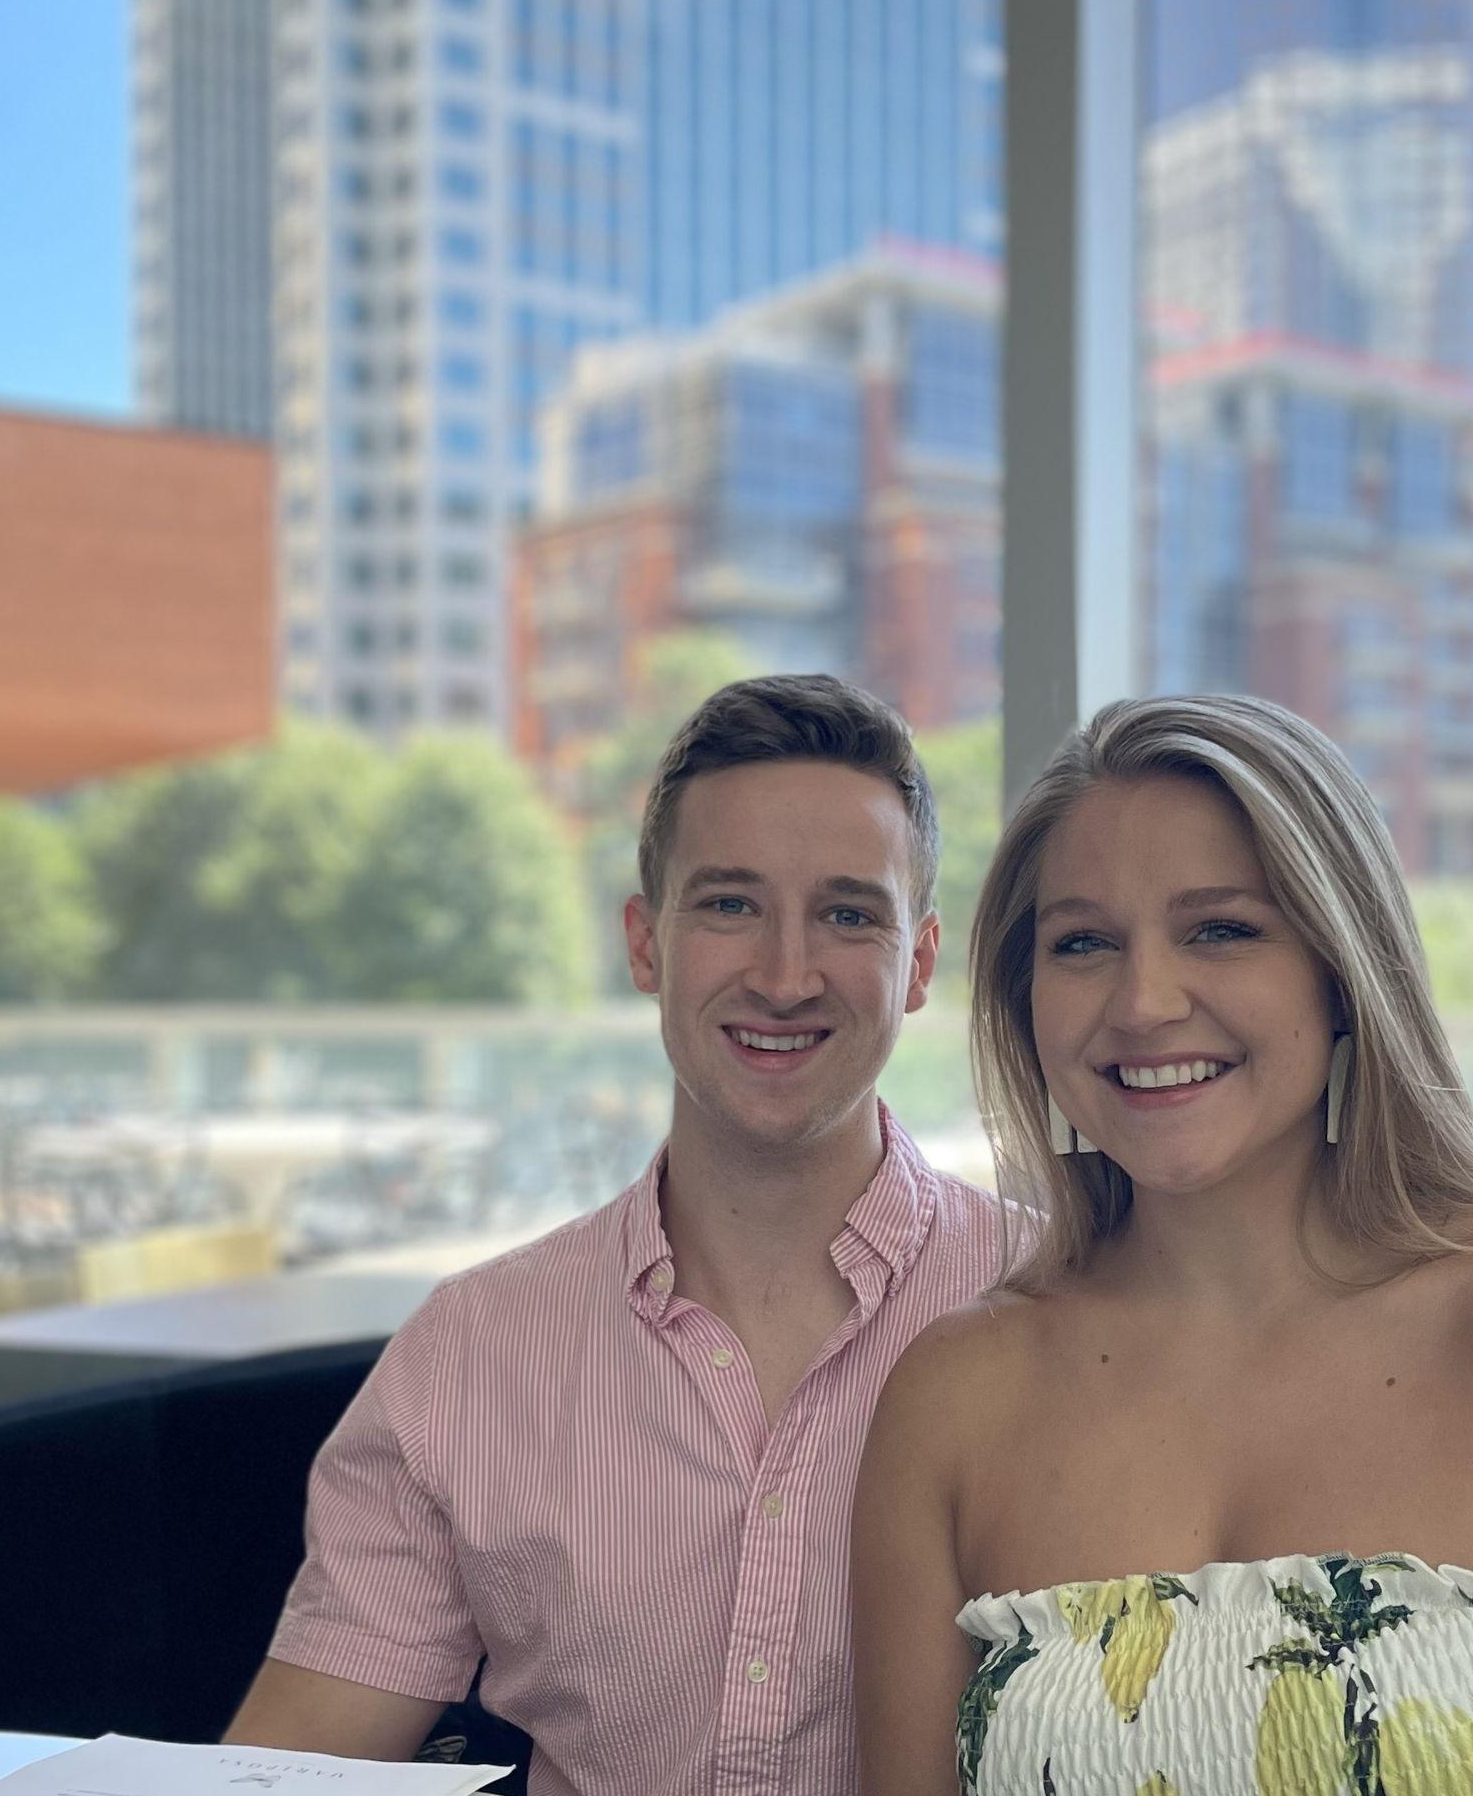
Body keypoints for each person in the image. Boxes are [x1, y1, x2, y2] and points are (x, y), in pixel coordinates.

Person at [852, 694, 1473, 1796]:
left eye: (1221, 928)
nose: (1143, 1002)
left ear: (1342, 971)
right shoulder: (954, 1396)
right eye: (1083, 942)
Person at [226, 675, 1005, 1795]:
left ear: (918, 964)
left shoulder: (1057, 1301)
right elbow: (285, 1769)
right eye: (728, 905)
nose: (784, 976)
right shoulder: (471, 1353)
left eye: (847, 915)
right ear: (645, 945)